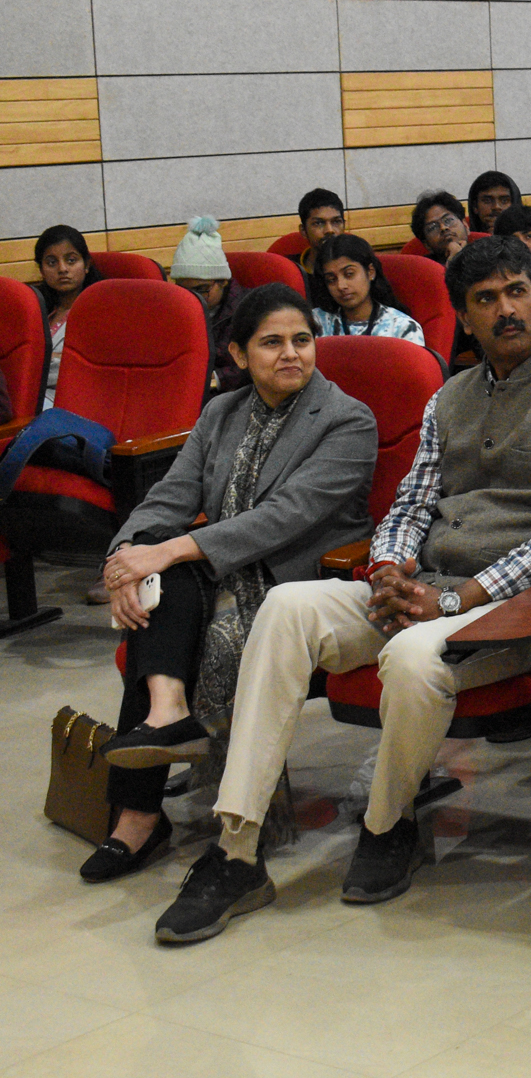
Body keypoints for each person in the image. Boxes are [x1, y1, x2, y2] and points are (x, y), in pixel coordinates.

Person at [152, 237, 531, 943]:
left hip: (515, 606)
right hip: (426, 589)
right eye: (485, 299)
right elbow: (411, 501)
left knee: (412, 656)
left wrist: (463, 596)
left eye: (517, 292)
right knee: (286, 606)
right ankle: (237, 850)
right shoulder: (449, 396)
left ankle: (389, 825)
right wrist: (387, 567)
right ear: (463, 317)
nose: (506, 309)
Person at [88, 286, 376, 882]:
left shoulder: (347, 419)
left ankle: (148, 817)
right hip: (221, 564)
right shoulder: (222, 412)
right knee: (154, 589)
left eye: (302, 340)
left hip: (298, 581)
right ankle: (165, 718)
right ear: (240, 355)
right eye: (272, 343)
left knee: (172, 583)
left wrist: (167, 551)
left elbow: (286, 517)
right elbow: (171, 495)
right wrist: (124, 558)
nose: (291, 353)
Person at [168, 217, 252, 397]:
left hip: (232, 396)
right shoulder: (174, 307)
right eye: (184, 290)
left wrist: (214, 378)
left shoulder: (250, 309)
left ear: (223, 281)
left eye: (201, 289)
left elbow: (257, 364)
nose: (193, 297)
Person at [308, 234, 427, 345]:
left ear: (370, 272)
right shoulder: (315, 322)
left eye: (349, 274)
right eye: (331, 279)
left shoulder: (402, 328)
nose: (341, 286)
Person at [32, 224, 100, 410]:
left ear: (86, 264)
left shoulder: (101, 310)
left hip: (76, 403)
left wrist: (39, 360)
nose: (62, 269)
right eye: (52, 263)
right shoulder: (35, 309)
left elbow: (85, 370)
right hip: (33, 398)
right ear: (41, 270)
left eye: (71, 260)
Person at [294, 189, 345, 274]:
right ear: (303, 231)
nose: (329, 230)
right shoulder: (289, 271)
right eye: (318, 223)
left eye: (336, 222)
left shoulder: (359, 264)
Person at [410, 191, 468, 264]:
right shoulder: (423, 267)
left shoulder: (482, 254)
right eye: (433, 227)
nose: (443, 227)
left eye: (448, 220)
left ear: (465, 226)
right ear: (426, 244)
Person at [467, 170, 521, 234]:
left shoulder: (528, 234)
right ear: (475, 206)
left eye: (504, 201)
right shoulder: (463, 234)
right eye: (487, 201)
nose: (496, 207)